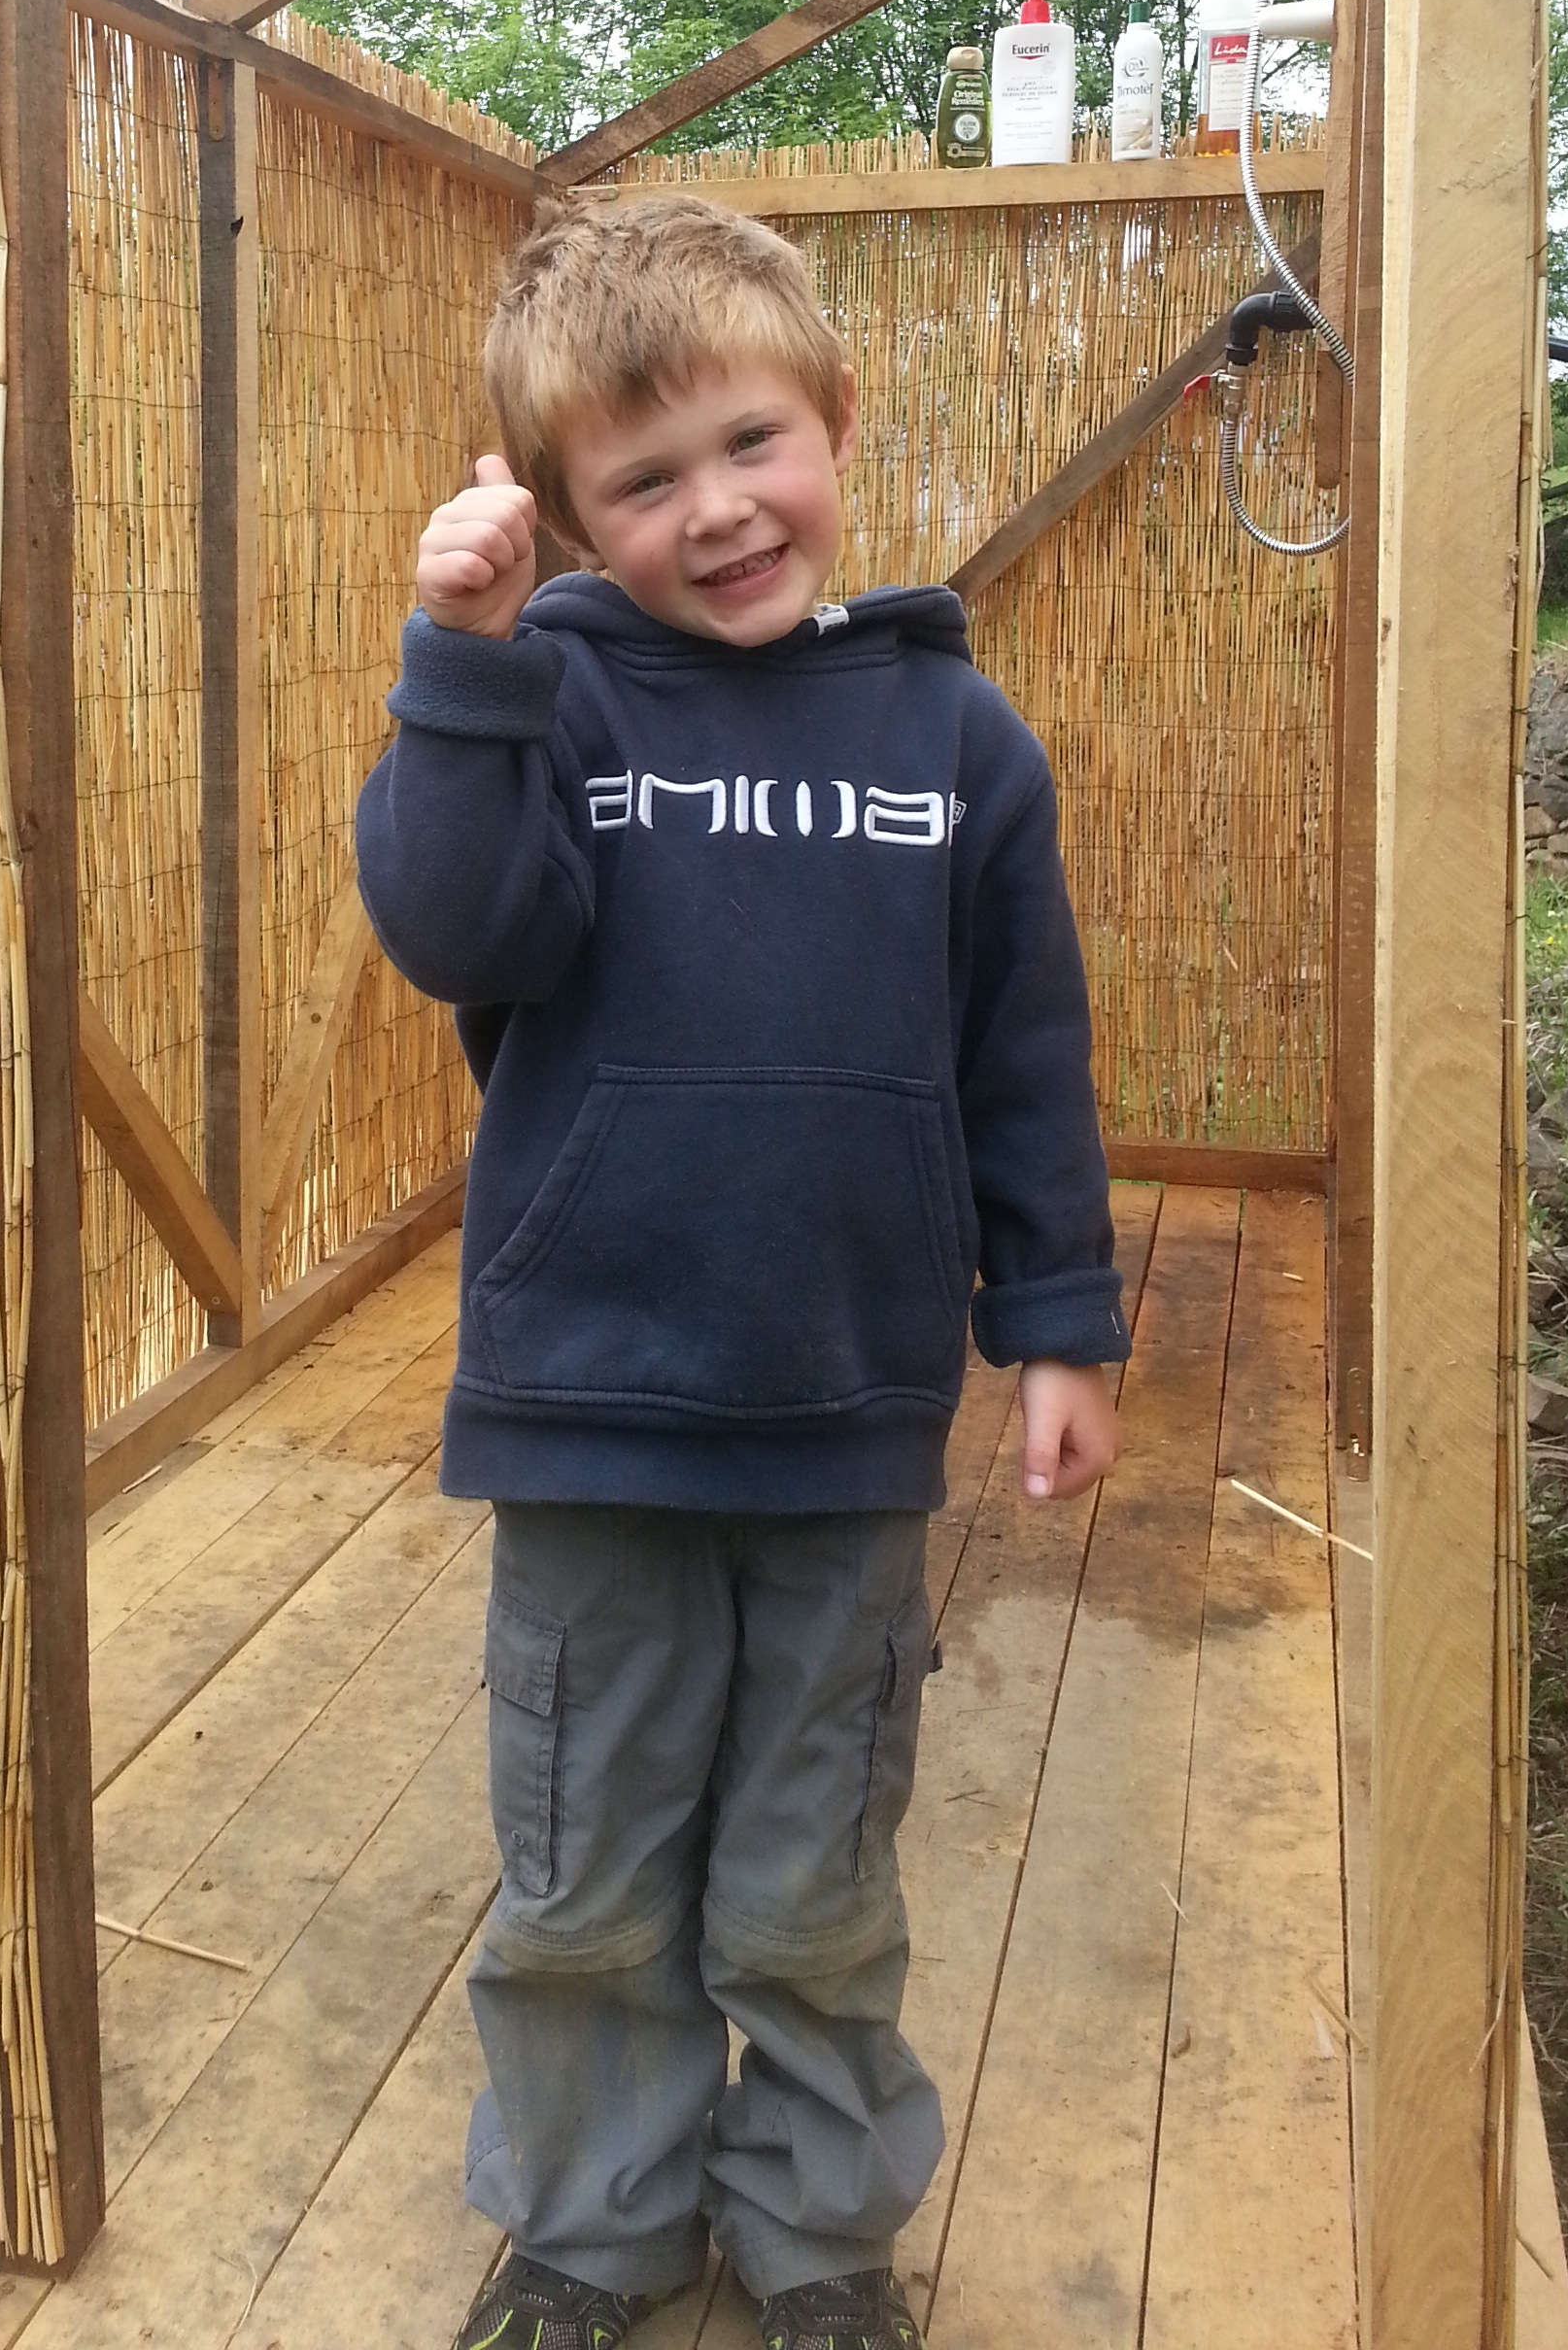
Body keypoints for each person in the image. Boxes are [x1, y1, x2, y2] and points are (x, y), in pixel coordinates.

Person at [355, 192, 1126, 2350]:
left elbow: (1026, 1055)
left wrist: (1058, 1325)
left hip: (846, 1413)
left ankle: (812, 2229)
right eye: (644, 480)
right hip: (590, 1411)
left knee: (814, 1872)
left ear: (838, 421)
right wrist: (463, 669)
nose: (715, 510)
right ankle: (594, 2227)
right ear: (567, 515)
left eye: (752, 443)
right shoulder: (551, 708)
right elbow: (451, 929)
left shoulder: (958, 743)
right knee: (586, 1869)